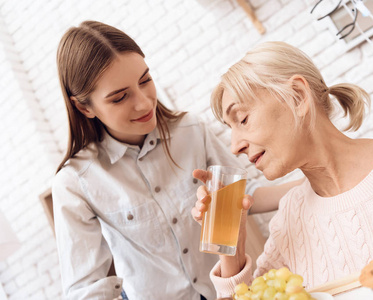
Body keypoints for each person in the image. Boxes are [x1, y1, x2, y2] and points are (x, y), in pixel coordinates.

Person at [52, 22, 300, 300]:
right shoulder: (76, 182)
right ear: (84, 106)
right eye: (120, 97)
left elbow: (244, 194)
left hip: (224, 290)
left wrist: (313, 179)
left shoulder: (191, 130)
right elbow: (85, 289)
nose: (145, 103)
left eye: (145, 80)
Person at [191, 41, 373, 298]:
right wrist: (231, 253)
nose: (235, 146)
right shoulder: (289, 219)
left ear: (298, 96)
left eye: (243, 119)